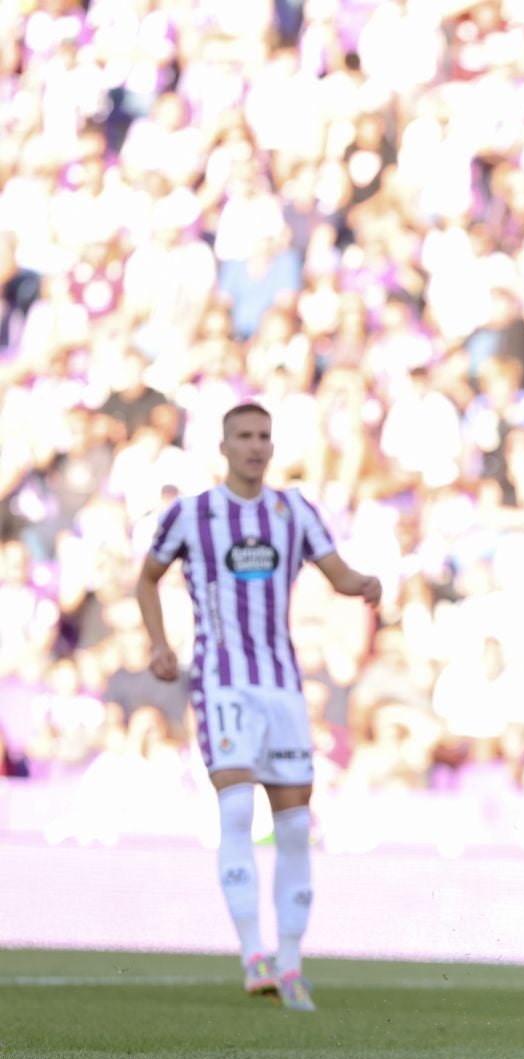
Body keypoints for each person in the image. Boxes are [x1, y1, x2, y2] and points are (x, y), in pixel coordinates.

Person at [134, 403, 382, 1011]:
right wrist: (161, 646)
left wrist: (366, 585)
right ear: (223, 446)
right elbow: (146, 578)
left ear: (273, 447)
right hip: (221, 682)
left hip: (282, 687)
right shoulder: (192, 515)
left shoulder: (293, 509)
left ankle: (291, 963)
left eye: (263, 436)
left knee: (296, 828)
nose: (254, 445)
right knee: (237, 806)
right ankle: (252, 953)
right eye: (243, 436)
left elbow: (338, 574)